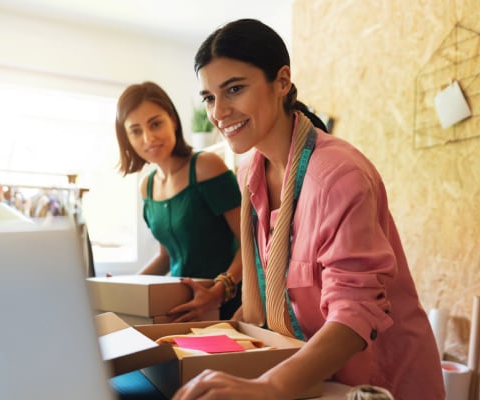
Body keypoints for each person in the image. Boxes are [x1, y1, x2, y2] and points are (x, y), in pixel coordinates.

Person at [173, 19, 444, 400]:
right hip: (312, 377)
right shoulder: (250, 172)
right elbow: (274, 294)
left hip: (377, 384)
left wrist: (269, 385)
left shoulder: (338, 175)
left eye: (234, 89)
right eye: (209, 97)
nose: (219, 112)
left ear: (282, 81)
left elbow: (356, 314)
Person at [115, 81, 242, 321]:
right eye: (136, 130)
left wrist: (218, 291)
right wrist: (124, 286)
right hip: (180, 308)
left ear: (173, 120)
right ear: (127, 138)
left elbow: (251, 242)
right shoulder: (148, 186)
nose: (148, 138)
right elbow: (166, 256)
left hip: (225, 306)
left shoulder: (206, 166)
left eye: (155, 124)